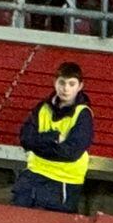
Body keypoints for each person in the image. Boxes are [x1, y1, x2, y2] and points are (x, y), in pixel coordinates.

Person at [12, 63, 94, 215]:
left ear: (80, 86)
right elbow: (25, 139)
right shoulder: (42, 108)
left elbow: (71, 153)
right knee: (17, 220)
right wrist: (54, 138)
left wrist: (39, 144)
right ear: (55, 82)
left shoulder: (83, 114)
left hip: (63, 182)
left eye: (71, 84)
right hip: (33, 175)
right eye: (62, 83)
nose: (66, 88)